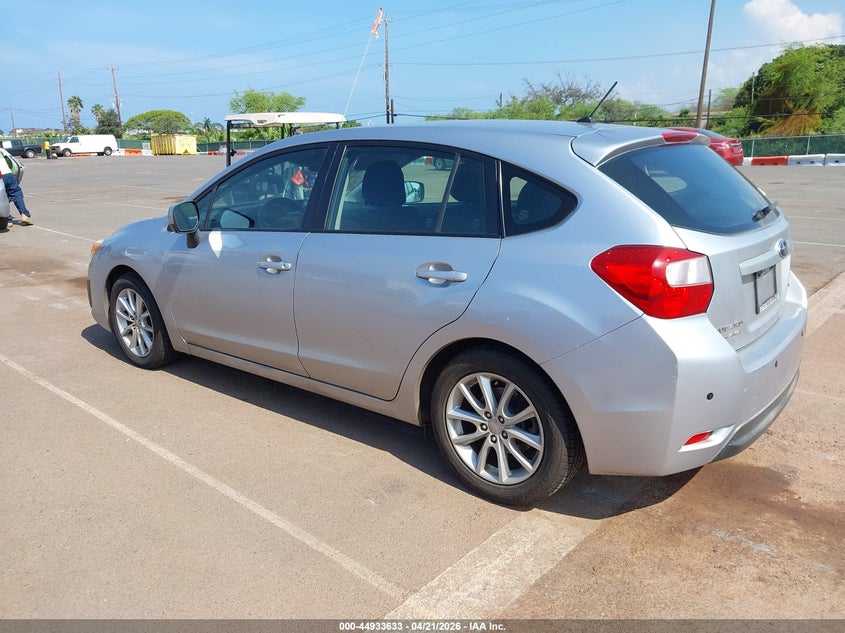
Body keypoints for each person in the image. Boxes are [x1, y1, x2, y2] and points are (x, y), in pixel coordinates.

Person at [0, 153, 34, 226]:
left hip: (1, 176)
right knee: (16, 193)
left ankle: (7, 219)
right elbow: (11, 162)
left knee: (2, 198)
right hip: (8, 173)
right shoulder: (1, 151)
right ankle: (24, 214)